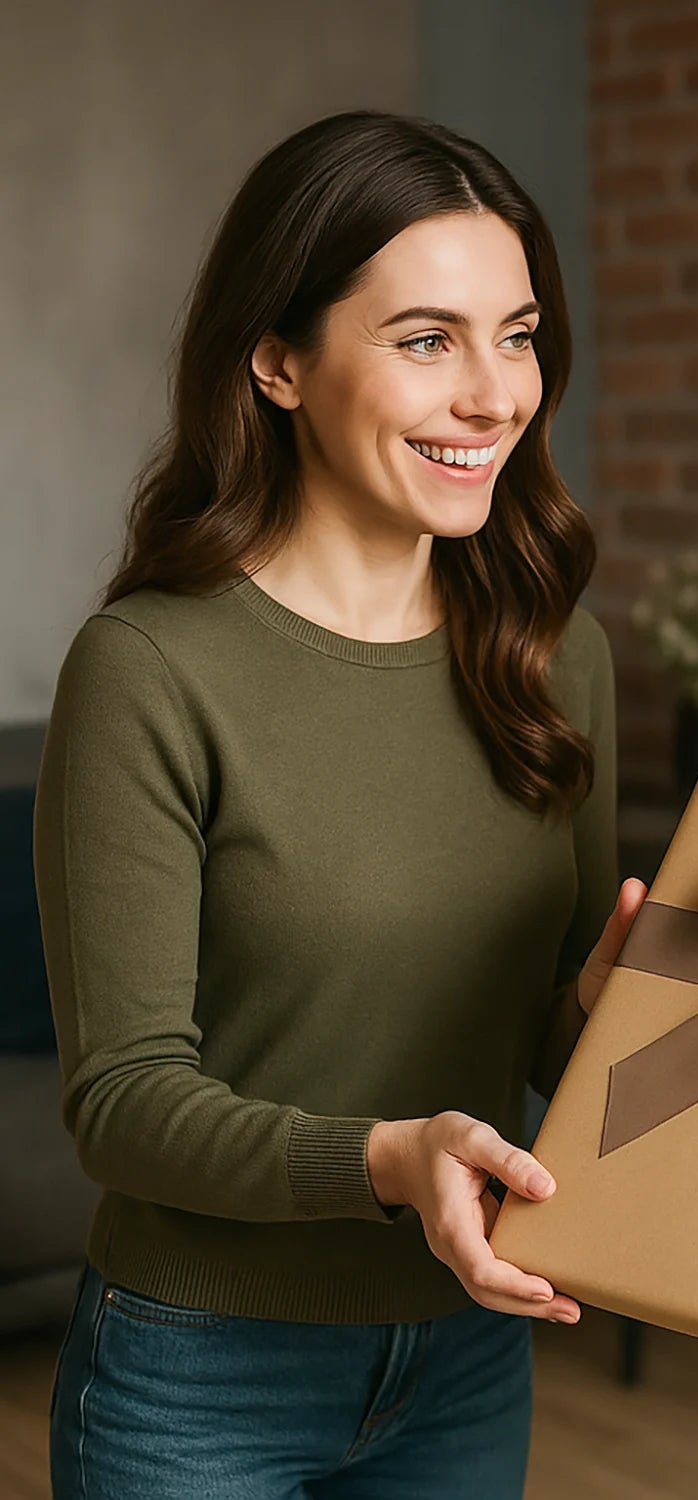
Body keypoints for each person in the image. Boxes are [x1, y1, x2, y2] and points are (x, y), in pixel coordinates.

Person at [35, 110, 643, 1499]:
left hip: (468, 1350)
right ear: (278, 363)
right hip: (201, 1373)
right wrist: (386, 1158)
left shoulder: (559, 653)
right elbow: (121, 1101)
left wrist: (620, 1017)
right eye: (427, 340)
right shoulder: (150, 669)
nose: (495, 394)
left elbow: (552, 1015)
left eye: (519, 332)